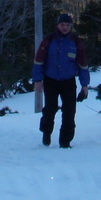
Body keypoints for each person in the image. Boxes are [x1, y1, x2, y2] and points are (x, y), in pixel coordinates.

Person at [34, 13, 90, 148]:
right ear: (57, 25)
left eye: (67, 25)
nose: (65, 27)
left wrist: (85, 85)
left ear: (71, 26)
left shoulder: (76, 42)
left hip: (68, 81)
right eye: (62, 25)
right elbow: (39, 61)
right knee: (50, 109)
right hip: (51, 80)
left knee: (69, 112)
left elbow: (82, 64)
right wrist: (38, 80)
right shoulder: (49, 40)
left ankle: (65, 141)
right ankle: (46, 132)